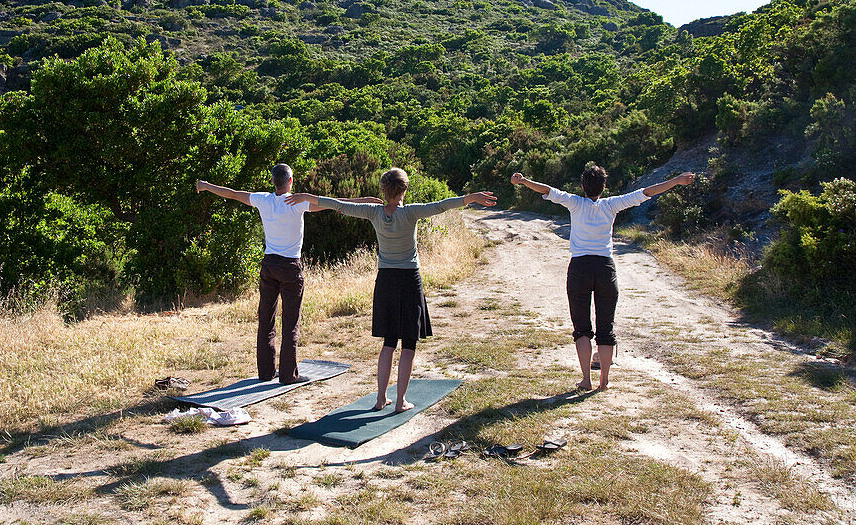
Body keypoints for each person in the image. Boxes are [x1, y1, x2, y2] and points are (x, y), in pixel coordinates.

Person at [286, 168, 496, 412]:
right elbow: (442, 205)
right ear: (404, 189)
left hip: (385, 280)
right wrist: (471, 197)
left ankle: (380, 399)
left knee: (388, 342)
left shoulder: (373, 212)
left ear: (383, 190)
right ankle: (400, 402)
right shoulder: (411, 212)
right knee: (409, 343)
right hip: (409, 280)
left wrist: (306, 196)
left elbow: (337, 204)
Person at [511, 166, 695, 391]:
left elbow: (549, 190)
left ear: (582, 187)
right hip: (605, 268)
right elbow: (647, 192)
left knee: (581, 328)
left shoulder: (574, 203)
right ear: (604, 187)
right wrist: (676, 180)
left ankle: (586, 380)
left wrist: (524, 181)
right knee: (606, 329)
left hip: (579, 268)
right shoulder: (611, 205)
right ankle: (604, 381)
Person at [197, 165, 380, 384]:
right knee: (290, 323)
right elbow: (335, 203)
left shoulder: (263, 199)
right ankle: (287, 375)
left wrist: (206, 186)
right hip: (290, 268)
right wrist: (367, 200)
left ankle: (265, 373)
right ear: (291, 181)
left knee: (266, 319)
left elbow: (233, 194)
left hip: (268, 265)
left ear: (273, 181)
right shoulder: (297, 202)